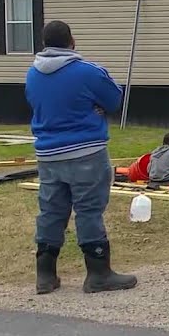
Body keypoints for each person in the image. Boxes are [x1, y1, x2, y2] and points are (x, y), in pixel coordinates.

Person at [25, 20, 137, 294]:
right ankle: (98, 272)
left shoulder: (32, 73)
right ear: (71, 41)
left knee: (51, 211)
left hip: (48, 154)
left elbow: (35, 102)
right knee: (88, 210)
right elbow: (114, 99)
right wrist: (94, 107)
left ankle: (45, 274)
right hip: (86, 150)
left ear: (44, 43)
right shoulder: (87, 72)